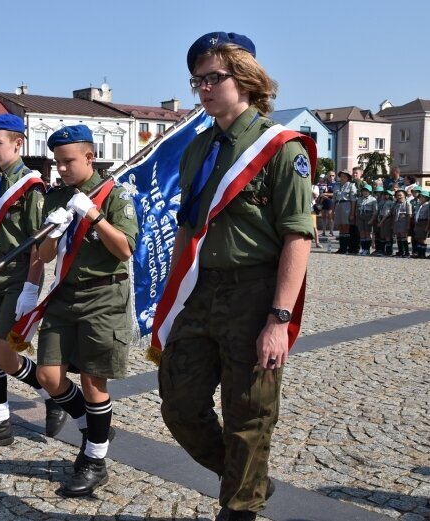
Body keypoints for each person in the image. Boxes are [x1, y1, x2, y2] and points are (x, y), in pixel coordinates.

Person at [157, 32, 314, 521]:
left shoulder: (281, 149)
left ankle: (240, 506)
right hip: (202, 289)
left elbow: (297, 237)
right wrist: (173, 293)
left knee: (249, 412)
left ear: (245, 79)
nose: (202, 88)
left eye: (213, 78)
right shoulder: (197, 149)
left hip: (255, 290)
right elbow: (188, 225)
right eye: (197, 80)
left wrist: (278, 318)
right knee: (178, 401)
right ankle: (247, 479)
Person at [31, 125, 137, 496]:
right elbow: (43, 257)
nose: (60, 169)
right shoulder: (54, 197)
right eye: (57, 162)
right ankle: (95, 427)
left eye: (68, 161)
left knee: (94, 381)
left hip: (103, 299)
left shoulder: (115, 195)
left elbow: (125, 249)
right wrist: (53, 233)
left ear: (89, 158)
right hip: (64, 296)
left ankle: (94, 460)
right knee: (48, 375)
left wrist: (93, 215)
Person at [0, 113, 65, 454]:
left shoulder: (32, 188)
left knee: (7, 355)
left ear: (18, 143)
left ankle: (54, 394)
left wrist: (31, 289)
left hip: (17, 277)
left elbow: (39, 244)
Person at [332, 170, 357, 254]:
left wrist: (352, 213)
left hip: (347, 205)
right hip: (338, 206)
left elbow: (353, 200)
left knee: (346, 227)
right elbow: (334, 199)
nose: (342, 178)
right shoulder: (337, 186)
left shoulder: (351, 185)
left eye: (344, 176)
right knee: (340, 227)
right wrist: (332, 211)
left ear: (348, 178)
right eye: (341, 176)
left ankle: (345, 248)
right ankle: (341, 247)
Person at [355, 184, 377, 255]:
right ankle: (363, 248)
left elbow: (375, 211)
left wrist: (372, 219)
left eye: (367, 191)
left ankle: (367, 249)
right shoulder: (359, 199)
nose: (365, 192)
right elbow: (357, 210)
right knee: (362, 233)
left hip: (368, 216)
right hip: (360, 217)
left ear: (370, 192)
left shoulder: (373, 199)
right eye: (364, 191)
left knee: (367, 233)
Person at [391, 188, 412, 257]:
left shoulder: (407, 204)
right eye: (397, 195)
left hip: (403, 221)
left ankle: (406, 252)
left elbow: (409, 215)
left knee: (403, 237)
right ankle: (400, 251)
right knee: (398, 237)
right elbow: (393, 213)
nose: (399, 197)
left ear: (404, 195)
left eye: (400, 195)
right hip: (396, 222)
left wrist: (408, 225)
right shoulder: (395, 204)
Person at [376, 190, 395, 256]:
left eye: (387, 194)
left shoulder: (389, 202)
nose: (385, 195)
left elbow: (386, 214)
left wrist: (381, 222)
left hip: (387, 220)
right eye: (384, 194)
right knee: (382, 235)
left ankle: (389, 251)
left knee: (387, 236)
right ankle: (382, 250)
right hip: (381, 218)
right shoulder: (382, 201)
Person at [412, 190, 429, 258]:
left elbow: (428, 217)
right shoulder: (419, 205)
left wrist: (427, 226)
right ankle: (419, 253)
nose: (420, 198)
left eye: (422, 197)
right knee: (418, 238)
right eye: (420, 197)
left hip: (424, 222)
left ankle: (422, 254)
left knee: (423, 239)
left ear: (426, 198)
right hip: (418, 222)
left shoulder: (428, 205)